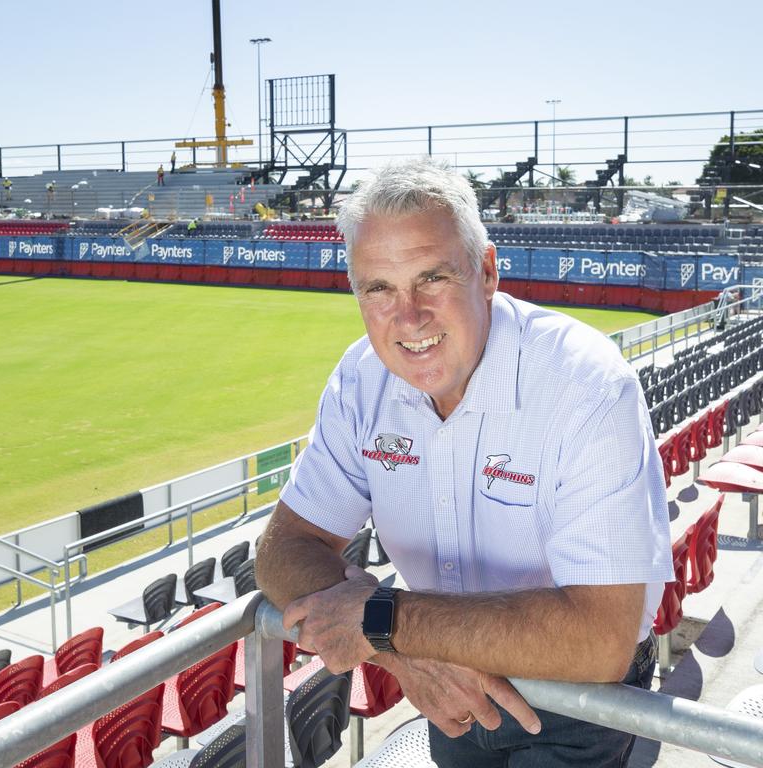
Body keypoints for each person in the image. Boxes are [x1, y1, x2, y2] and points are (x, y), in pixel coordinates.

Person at [255, 157, 672, 768]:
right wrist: (400, 654)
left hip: (578, 700)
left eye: (432, 278)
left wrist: (382, 620)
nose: (409, 317)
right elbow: (282, 548)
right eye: (379, 289)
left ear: (486, 272)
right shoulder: (360, 380)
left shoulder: (584, 381)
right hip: (439, 683)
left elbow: (599, 640)